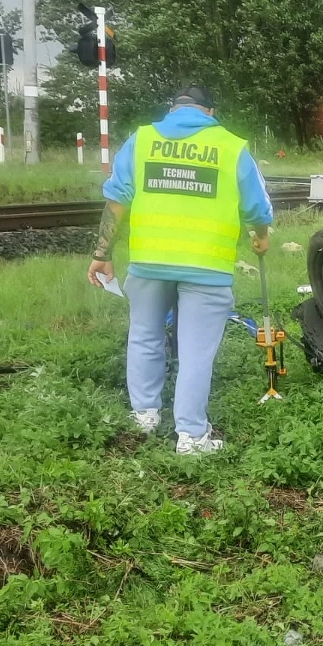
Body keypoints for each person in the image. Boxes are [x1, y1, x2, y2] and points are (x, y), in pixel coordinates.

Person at [87, 85, 273, 455]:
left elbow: (117, 199)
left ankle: (144, 415)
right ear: (210, 111)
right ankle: (190, 435)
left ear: (172, 109)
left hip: (149, 262)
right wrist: (262, 235)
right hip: (206, 266)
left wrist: (101, 252)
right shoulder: (231, 146)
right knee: (196, 352)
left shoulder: (142, 140)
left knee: (144, 335)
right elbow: (256, 207)